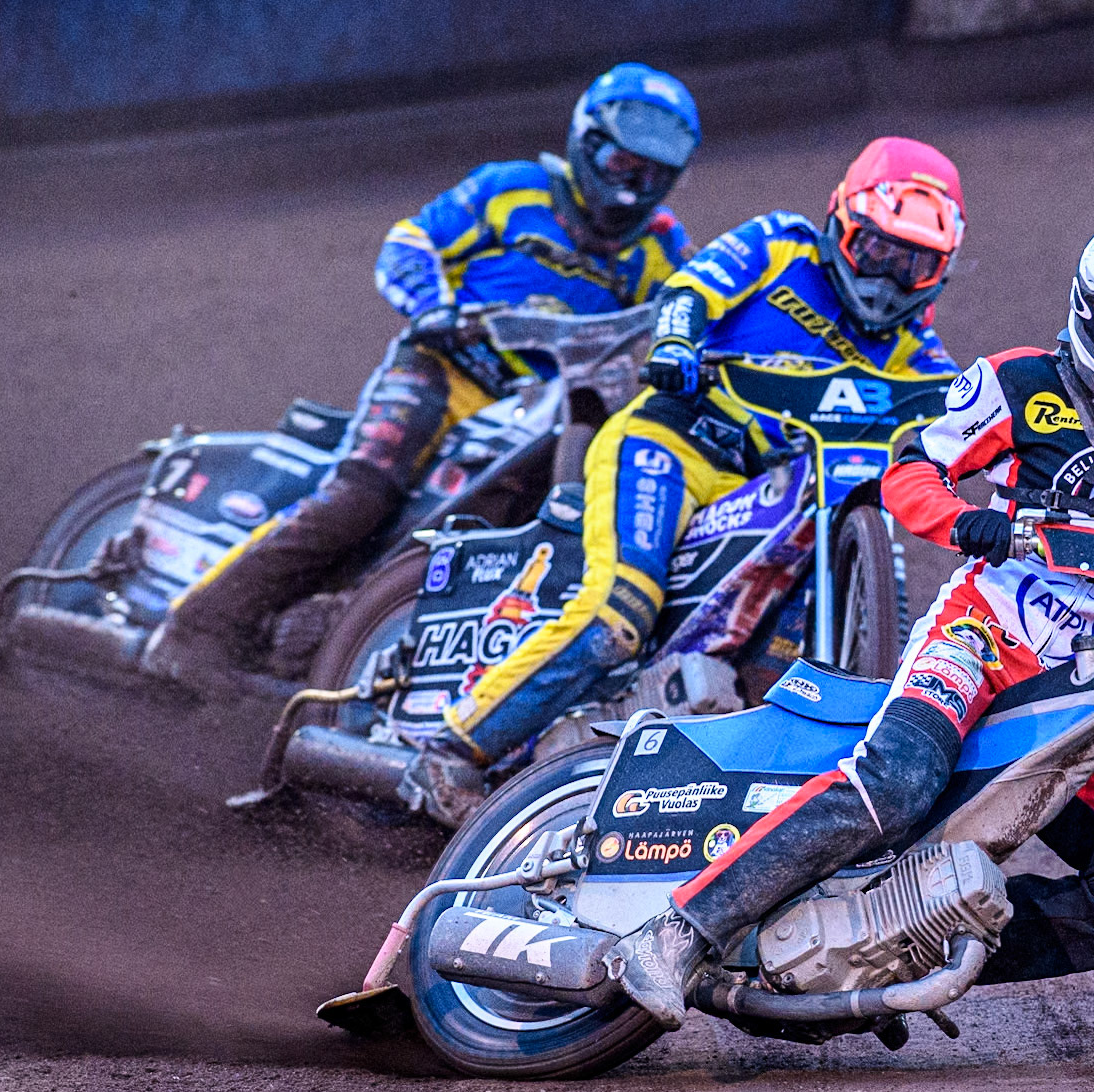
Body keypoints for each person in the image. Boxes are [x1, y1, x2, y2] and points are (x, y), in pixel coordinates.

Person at [612, 213, 1094, 1029]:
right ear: (1086, 315)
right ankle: (673, 932)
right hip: (981, 637)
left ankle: (894, 950)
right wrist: (963, 521)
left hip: (1085, 692)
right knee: (898, 779)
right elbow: (912, 466)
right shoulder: (1017, 380)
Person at [398, 136, 968, 826]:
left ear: (940, 272)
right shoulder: (780, 243)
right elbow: (688, 289)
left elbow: (972, 429)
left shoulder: (923, 360)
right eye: (876, 250)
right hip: (669, 444)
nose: (885, 277)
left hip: (768, 497)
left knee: (778, 657)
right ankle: (451, 750)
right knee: (621, 610)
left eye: (912, 264)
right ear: (840, 222)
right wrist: (674, 345)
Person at [143, 63, 700, 684]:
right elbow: (410, 240)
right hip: (446, 371)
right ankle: (196, 625)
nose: (635, 183)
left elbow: (687, 312)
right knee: (360, 495)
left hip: (557, 412)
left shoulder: (666, 250)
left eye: (653, 172)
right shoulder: (513, 187)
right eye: (626, 163)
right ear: (587, 142)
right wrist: (433, 308)